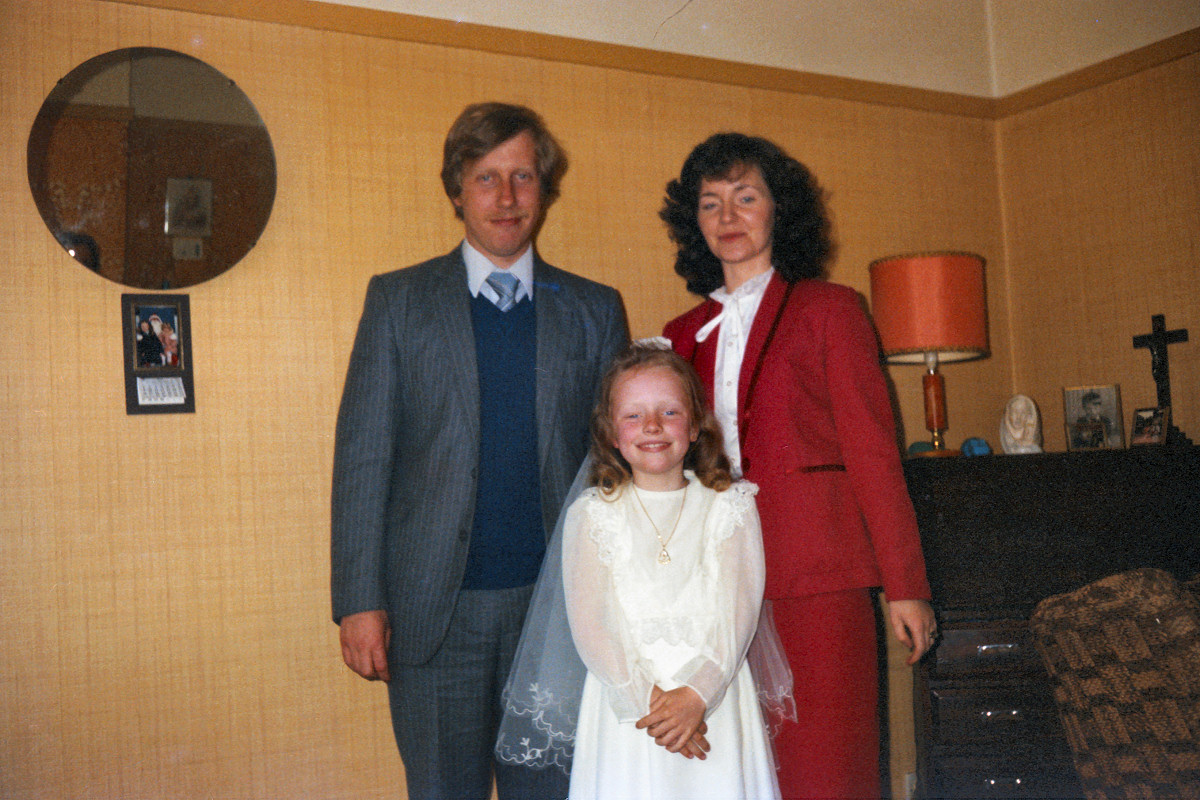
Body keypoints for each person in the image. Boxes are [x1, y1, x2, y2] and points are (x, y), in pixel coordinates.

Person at [331, 102, 629, 800]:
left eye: (523, 176)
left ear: (544, 190)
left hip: (557, 613)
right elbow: (363, 459)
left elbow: (616, 466)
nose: (506, 197)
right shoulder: (399, 302)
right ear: (457, 190)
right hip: (434, 616)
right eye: (486, 177)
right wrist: (359, 601)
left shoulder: (594, 309)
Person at [660, 132, 936, 799]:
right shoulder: (678, 335)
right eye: (710, 203)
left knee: (827, 769)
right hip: (713, 586)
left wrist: (905, 584)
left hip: (817, 576)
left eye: (746, 198)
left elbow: (873, 454)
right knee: (733, 774)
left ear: (779, 209)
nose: (728, 216)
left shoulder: (829, 310)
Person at [564, 341, 781, 799]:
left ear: (696, 424)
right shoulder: (593, 514)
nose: (652, 426)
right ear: (611, 433)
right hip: (629, 710)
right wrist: (653, 706)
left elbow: (739, 615)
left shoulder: (730, 506)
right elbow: (591, 626)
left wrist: (696, 697)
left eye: (669, 412)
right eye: (633, 415)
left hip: (714, 701)